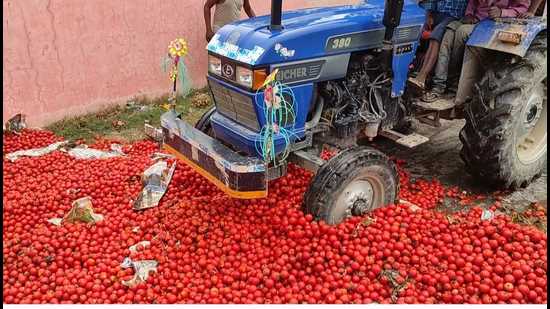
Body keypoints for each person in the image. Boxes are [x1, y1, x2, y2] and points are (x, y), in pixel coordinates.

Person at [420, 0, 530, 107]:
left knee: (461, 32)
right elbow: (472, 3)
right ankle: (438, 86)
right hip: (475, 20)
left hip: (495, 24)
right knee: (448, 34)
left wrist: (502, 12)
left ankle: (454, 84)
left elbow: (522, 8)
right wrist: (469, 14)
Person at [408, 0, 470, 98]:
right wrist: (429, 14)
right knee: (413, 25)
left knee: (435, 37)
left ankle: (422, 76)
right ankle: (410, 69)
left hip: (454, 17)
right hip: (438, 14)